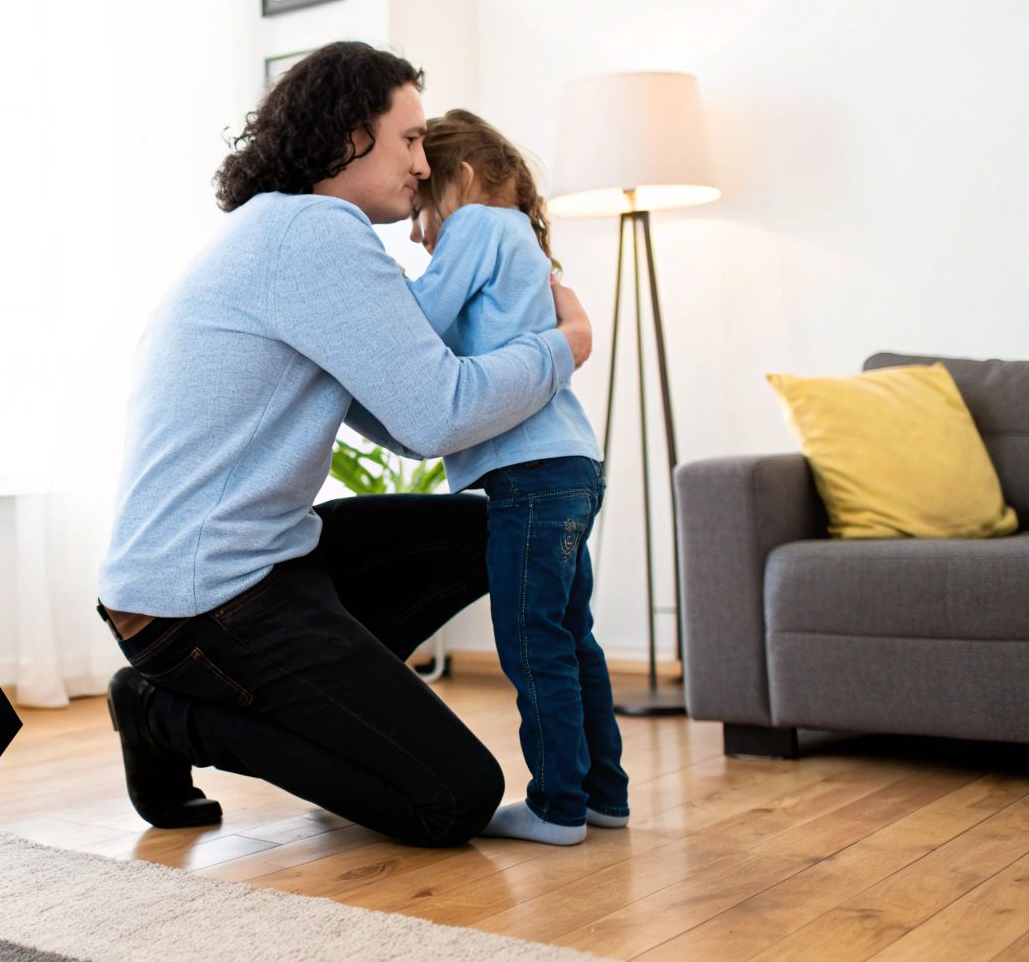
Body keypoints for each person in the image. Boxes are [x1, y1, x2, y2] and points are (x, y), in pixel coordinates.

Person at [94, 42, 592, 847]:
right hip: (202, 601)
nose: (424, 166)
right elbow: (437, 418)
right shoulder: (314, 234)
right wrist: (562, 346)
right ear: (349, 136)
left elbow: (401, 420)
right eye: (410, 140)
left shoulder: (288, 233)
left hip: (257, 566)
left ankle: (333, 719)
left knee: (482, 534)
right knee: (454, 800)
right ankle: (164, 716)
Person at [404, 109, 629, 846]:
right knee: (571, 636)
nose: (416, 233)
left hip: (526, 473)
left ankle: (557, 805)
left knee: (531, 641)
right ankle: (604, 794)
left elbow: (420, 321)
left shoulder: (477, 228)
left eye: (420, 208)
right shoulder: (526, 244)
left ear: (461, 179)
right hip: (569, 464)